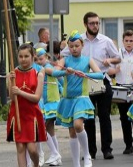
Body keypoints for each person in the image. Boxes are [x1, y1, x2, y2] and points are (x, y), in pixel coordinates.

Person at [61, 12, 121, 160]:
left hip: (102, 80)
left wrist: (109, 60)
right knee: (88, 118)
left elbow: (119, 57)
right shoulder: (79, 41)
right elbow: (63, 55)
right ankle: (91, 151)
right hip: (84, 83)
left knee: (104, 116)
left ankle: (107, 149)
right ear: (86, 24)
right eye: (92, 23)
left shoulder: (105, 40)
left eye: (97, 23)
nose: (95, 26)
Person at [53, 31, 104, 167]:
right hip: (68, 100)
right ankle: (76, 163)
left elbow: (100, 75)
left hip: (81, 98)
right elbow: (54, 72)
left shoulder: (88, 60)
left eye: (76, 46)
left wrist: (85, 74)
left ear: (82, 45)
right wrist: (65, 72)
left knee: (77, 125)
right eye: (71, 46)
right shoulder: (65, 60)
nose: (74, 49)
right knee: (71, 131)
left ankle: (87, 154)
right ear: (68, 47)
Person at [6, 43, 46, 167]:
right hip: (17, 113)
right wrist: (10, 82)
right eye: (20, 56)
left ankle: (36, 164)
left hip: (32, 115)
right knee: (20, 148)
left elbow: (36, 98)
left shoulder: (38, 72)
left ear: (33, 56)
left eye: (26, 56)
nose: (23, 59)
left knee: (32, 149)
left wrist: (20, 92)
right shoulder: (13, 73)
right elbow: (13, 98)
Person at [114, 30, 133, 155]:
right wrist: (114, 69)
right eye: (126, 41)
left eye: (131, 41)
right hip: (121, 87)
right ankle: (128, 145)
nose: (129, 43)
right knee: (124, 118)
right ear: (123, 41)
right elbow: (111, 68)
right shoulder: (117, 54)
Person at [35, 48, 63, 166]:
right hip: (46, 102)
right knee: (50, 129)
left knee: (44, 128)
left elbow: (58, 79)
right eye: (37, 60)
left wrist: (62, 91)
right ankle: (56, 156)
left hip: (51, 102)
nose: (39, 61)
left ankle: (55, 154)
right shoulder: (41, 67)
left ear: (46, 57)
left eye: (41, 59)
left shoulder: (47, 67)